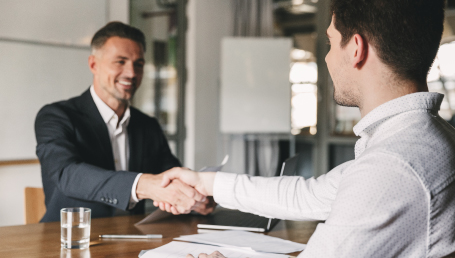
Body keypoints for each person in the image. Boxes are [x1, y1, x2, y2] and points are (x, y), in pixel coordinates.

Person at [156, 0, 455, 257]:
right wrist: (205, 182)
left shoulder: (393, 166)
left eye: (329, 42)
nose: (326, 57)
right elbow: (309, 196)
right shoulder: (421, 137)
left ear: (355, 49)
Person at [35, 22, 214, 222]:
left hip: (134, 236)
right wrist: (144, 185)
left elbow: (171, 174)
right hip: (69, 238)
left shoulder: (148, 125)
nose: (131, 73)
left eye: (138, 64)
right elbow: (67, 173)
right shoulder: (56, 116)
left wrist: (194, 197)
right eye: (120, 61)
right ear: (94, 64)